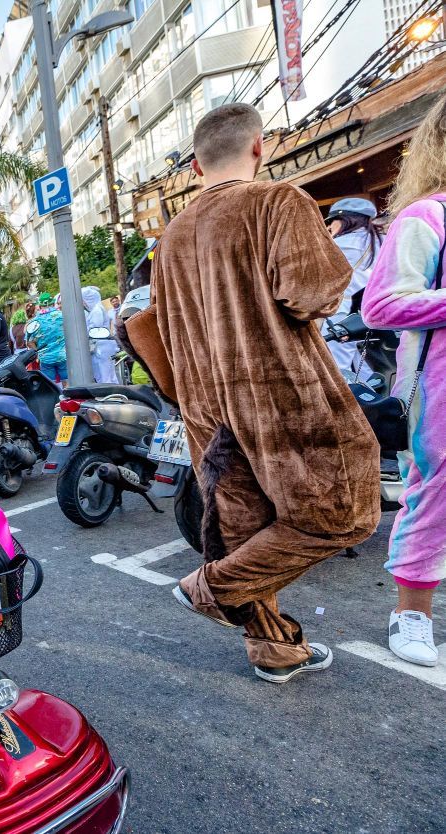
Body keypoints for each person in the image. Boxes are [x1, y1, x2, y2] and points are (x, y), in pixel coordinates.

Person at [150, 103, 379, 683]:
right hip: (279, 390)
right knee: (342, 514)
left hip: (206, 403)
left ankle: (273, 651)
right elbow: (314, 294)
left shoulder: (173, 234)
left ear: (197, 165)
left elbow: (160, 321)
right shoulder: (277, 201)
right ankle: (211, 588)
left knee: (246, 529)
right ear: (259, 146)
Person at [360, 94, 446, 667]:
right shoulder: (427, 217)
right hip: (436, 395)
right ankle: (411, 615)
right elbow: (381, 303)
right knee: (434, 496)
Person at [323, 197, 383, 381]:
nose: (330, 225)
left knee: (337, 368)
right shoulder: (381, 240)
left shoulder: (337, 245)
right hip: (367, 311)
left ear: (345, 220)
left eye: (332, 220)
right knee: (363, 364)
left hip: (340, 314)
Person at [83, 286, 119, 384]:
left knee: (104, 376)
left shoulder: (96, 311)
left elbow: (94, 328)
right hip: (103, 347)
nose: (83, 303)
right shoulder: (97, 309)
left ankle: (109, 396)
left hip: (101, 347)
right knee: (110, 375)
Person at [30, 303, 68, 384]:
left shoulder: (35, 321)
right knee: (68, 382)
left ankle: (56, 396)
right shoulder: (62, 315)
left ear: (40, 306)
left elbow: (30, 342)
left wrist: (37, 353)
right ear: (53, 304)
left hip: (46, 358)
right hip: (63, 355)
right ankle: (69, 395)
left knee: (51, 385)